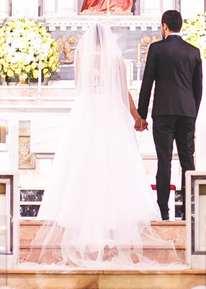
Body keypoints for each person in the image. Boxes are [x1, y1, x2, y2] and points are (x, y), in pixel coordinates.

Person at [36, 23, 167, 265]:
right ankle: (114, 218)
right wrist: (136, 117)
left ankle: (82, 215)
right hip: (110, 111)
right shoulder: (116, 58)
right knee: (113, 163)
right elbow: (123, 91)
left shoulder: (81, 56)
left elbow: (79, 87)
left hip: (85, 111)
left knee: (83, 162)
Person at [137, 10, 203, 221]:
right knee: (187, 161)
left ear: (164, 26)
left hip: (163, 112)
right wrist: (193, 113)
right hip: (186, 113)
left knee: (164, 161)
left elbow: (147, 84)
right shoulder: (193, 51)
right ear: (180, 26)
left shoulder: (156, 49)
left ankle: (163, 212)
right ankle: (189, 211)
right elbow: (198, 88)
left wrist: (141, 115)